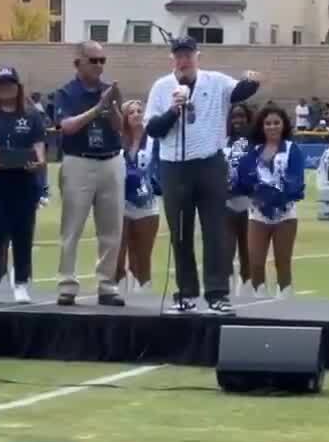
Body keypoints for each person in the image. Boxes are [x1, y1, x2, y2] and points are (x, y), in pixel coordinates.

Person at [144, 36, 261, 314]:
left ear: (198, 56)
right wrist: (174, 110)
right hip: (175, 165)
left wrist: (252, 79)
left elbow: (240, 92)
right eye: (178, 56)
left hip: (210, 162)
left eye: (188, 55)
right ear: (172, 58)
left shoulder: (215, 81)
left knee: (215, 230)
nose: (183, 60)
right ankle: (186, 292)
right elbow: (153, 128)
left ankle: (217, 293)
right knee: (181, 232)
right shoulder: (162, 87)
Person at [53, 41, 126, 307]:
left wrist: (114, 107)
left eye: (102, 60)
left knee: (111, 228)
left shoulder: (109, 90)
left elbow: (120, 128)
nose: (99, 66)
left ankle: (107, 284)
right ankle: (67, 284)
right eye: (93, 60)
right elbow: (67, 126)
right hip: (79, 160)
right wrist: (97, 109)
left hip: (110, 159)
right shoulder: (65, 93)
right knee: (72, 227)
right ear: (78, 63)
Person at [0, 67, 47, 304]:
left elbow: (39, 144)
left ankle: (21, 282)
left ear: (18, 86)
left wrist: (40, 162)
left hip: (23, 183)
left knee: (22, 234)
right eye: (1, 84)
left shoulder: (31, 115)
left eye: (10, 83)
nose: (6, 88)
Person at [237, 105, 305, 298]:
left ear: (284, 125)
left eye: (276, 123)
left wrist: (277, 196)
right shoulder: (255, 151)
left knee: (283, 262)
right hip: (258, 214)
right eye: (268, 123)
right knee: (256, 262)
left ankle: (285, 305)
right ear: (261, 126)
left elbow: (297, 180)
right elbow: (246, 180)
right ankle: (260, 302)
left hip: (285, 215)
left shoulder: (292, 149)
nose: (272, 127)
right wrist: (255, 194)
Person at [117, 99, 159, 292]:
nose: (136, 115)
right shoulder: (117, 140)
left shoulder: (153, 141)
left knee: (142, 256)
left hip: (147, 204)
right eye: (131, 112)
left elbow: (160, 168)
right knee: (117, 253)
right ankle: (116, 292)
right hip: (121, 203)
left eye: (139, 111)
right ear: (124, 117)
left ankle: (143, 294)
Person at [222, 104, 254, 295]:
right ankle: (226, 290)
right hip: (226, 201)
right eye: (234, 117)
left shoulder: (255, 141)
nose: (238, 120)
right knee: (226, 249)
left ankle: (247, 290)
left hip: (250, 201)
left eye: (241, 116)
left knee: (248, 249)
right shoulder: (222, 140)